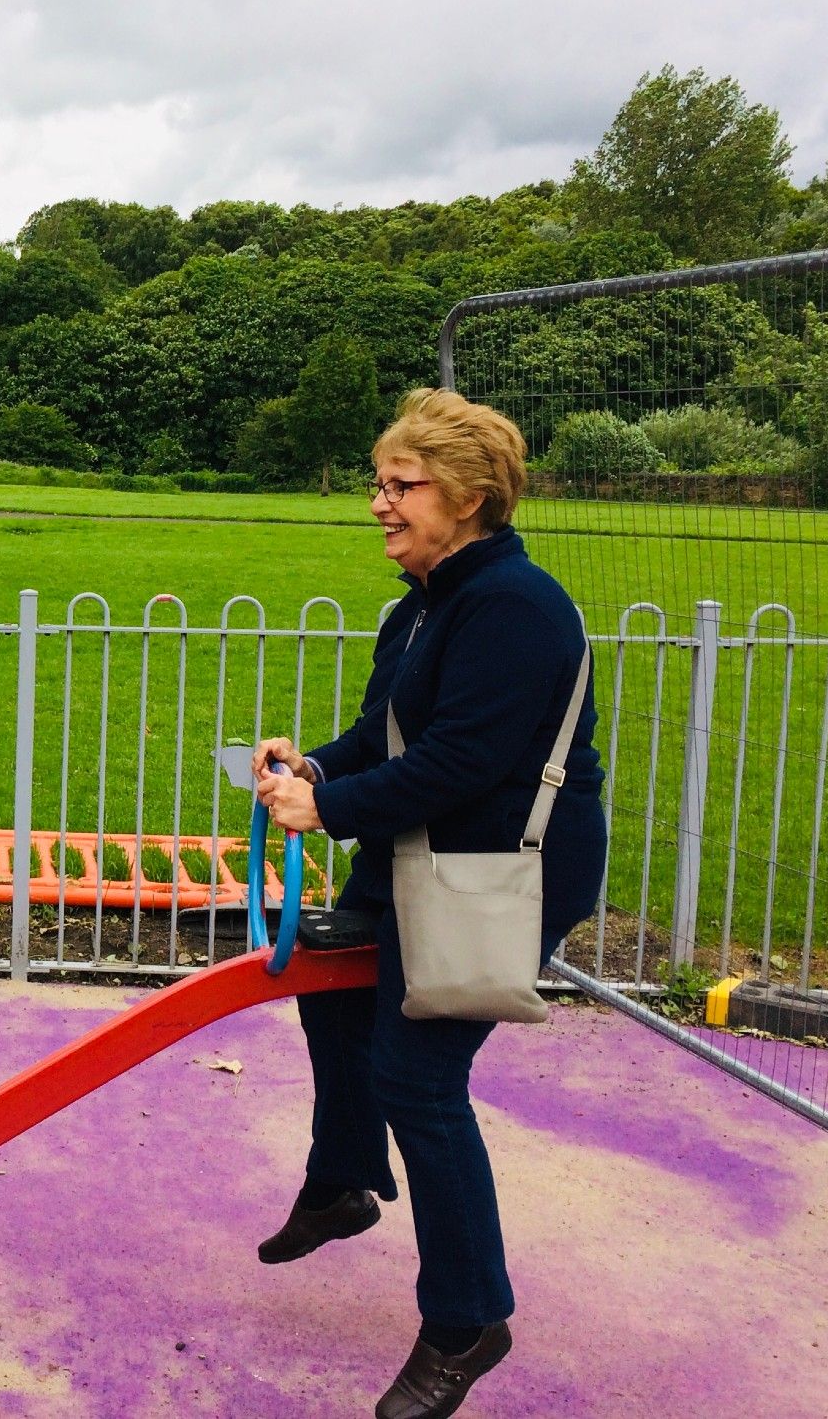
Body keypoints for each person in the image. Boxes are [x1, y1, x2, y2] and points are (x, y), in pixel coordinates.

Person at [251, 389, 605, 1419]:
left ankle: (465, 1320)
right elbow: (387, 735)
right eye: (377, 482)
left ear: (468, 495)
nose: (377, 503)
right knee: (332, 981)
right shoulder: (427, 601)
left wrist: (326, 809)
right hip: (427, 857)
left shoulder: (511, 607)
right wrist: (316, 764)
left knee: (419, 1079)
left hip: (497, 872)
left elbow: (461, 762)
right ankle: (342, 1182)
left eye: (398, 485)